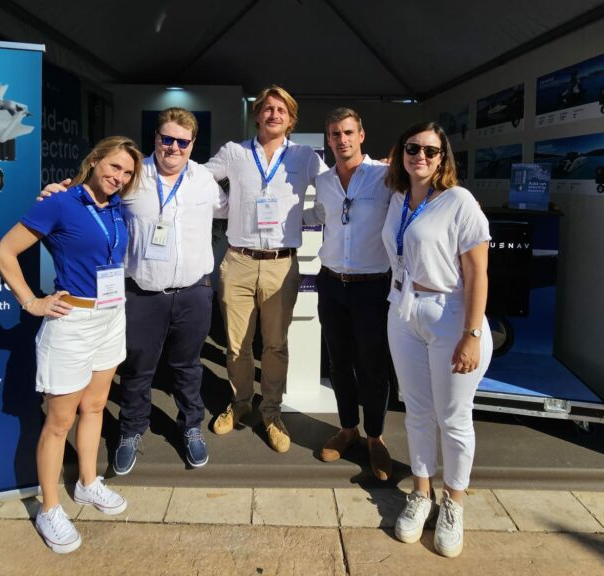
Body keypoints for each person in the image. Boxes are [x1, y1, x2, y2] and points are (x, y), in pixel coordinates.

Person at [0, 136, 142, 555]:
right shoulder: (58, 202)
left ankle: (88, 482)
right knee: (58, 421)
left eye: (127, 172)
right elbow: (4, 252)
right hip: (72, 320)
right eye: (113, 167)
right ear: (94, 161)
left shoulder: (116, 208)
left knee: (95, 407)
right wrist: (31, 301)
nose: (118, 177)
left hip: (112, 316)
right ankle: (50, 508)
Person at [381, 121, 492, 559]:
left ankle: (454, 502)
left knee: (454, 416)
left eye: (430, 151)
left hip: (449, 314)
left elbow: (478, 272)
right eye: (412, 148)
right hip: (403, 311)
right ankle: (422, 493)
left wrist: (472, 333)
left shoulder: (459, 201)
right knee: (417, 409)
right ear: (401, 153)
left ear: (443, 157)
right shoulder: (397, 199)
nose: (420, 157)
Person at [206, 84, 328, 452]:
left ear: (291, 120)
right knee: (237, 345)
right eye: (268, 109)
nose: (274, 115)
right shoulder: (234, 152)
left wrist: (303, 217)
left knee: (275, 346)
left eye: (282, 110)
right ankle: (241, 403)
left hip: (281, 264)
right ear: (257, 114)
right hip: (238, 260)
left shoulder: (305, 156)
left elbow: (333, 190)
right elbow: (196, 181)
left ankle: (271, 412)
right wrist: (226, 208)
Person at [112, 108, 228, 475]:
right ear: (156, 139)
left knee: (188, 366)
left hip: (194, 292)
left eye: (182, 141)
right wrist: (60, 192)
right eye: (167, 139)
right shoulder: (133, 176)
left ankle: (191, 424)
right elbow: (95, 198)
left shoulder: (204, 180)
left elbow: (230, 210)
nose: (173, 147)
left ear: (193, 144)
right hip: (143, 292)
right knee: (137, 368)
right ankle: (131, 429)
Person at [306, 107, 393, 480]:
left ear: (361, 135)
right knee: (338, 361)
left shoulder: (386, 176)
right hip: (332, 283)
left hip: (372, 285)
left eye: (347, 133)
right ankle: (347, 428)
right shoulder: (324, 182)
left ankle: (375, 437)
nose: (341, 140)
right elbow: (320, 217)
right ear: (328, 140)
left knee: (373, 365)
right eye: (334, 135)